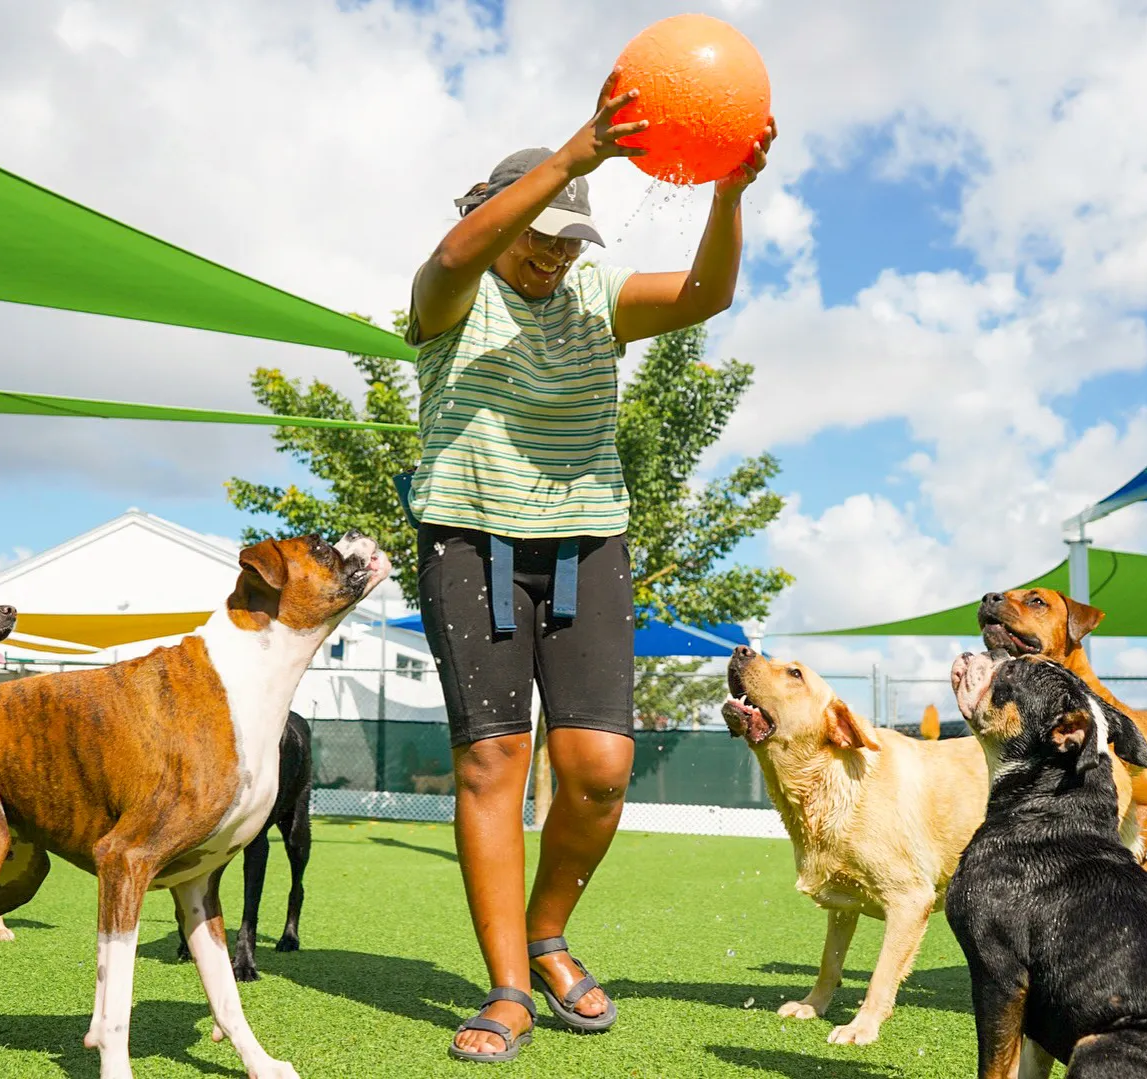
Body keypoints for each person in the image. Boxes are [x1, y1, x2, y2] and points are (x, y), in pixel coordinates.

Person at [405, 72, 775, 1063]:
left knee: (600, 772)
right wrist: (576, 153)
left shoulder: (593, 295)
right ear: (494, 217)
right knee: (492, 761)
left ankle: (547, 927)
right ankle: (509, 986)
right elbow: (451, 254)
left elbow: (707, 293)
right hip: (467, 540)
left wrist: (728, 191)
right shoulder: (450, 295)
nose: (555, 252)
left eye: (572, 237)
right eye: (541, 233)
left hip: (586, 542)